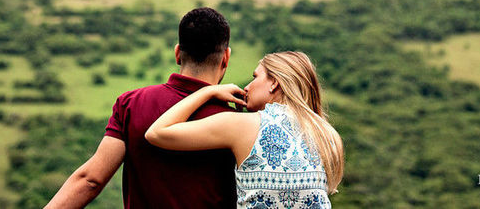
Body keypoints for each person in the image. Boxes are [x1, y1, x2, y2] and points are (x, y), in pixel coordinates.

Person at [44, 7, 237, 209]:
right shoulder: (236, 121)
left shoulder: (131, 104)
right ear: (226, 57)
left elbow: (91, 181)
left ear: (178, 53)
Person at [146, 51, 344, 209]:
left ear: (274, 82)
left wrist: (208, 91)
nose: (247, 86)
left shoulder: (243, 125)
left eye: (255, 77)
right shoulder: (328, 136)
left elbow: (157, 132)